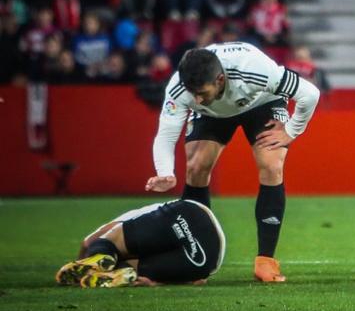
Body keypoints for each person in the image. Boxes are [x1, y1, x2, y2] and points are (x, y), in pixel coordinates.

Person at [146, 42, 323, 283]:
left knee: (272, 163)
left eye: (201, 93)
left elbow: (310, 94)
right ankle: (197, 261)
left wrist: (291, 131)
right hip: (213, 114)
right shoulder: (181, 86)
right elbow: (166, 133)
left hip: (263, 102)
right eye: (193, 92)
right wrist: (165, 172)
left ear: (220, 79)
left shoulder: (255, 69)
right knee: (196, 166)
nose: (196, 98)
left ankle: (266, 261)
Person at [55, 199, 226, 288]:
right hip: (208, 254)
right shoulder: (143, 217)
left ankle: (104, 256)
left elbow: (88, 243)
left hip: (186, 219)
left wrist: (88, 255)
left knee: (109, 242)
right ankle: (123, 272)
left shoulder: (122, 221)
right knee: (123, 254)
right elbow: (199, 281)